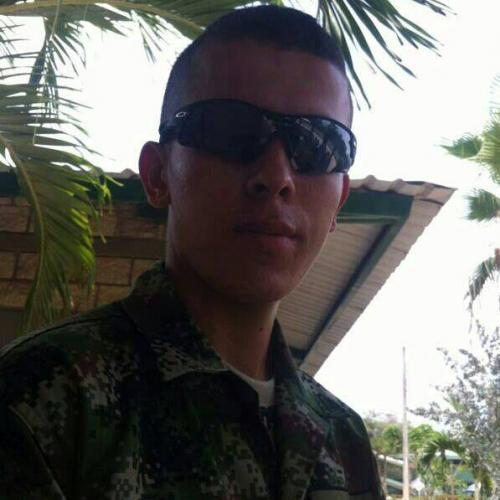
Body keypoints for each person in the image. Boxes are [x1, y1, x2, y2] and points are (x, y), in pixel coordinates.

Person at [0, 6, 384, 499]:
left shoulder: (344, 440)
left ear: (340, 201)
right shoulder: (41, 397)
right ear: (158, 175)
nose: (277, 177)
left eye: (318, 145)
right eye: (232, 132)